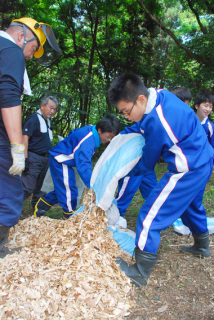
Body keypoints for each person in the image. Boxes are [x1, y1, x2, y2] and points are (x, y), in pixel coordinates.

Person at [107, 72, 214, 287]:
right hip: (203, 159)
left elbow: (148, 161)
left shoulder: (158, 120)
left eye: (126, 111)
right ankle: (202, 246)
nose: (126, 116)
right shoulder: (159, 94)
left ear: (141, 100)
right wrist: (126, 132)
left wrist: (125, 172)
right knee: (190, 205)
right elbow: (141, 123)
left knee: (149, 215)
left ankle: (139, 271)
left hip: (187, 168)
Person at [0, 17, 61, 259]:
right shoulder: (10, 50)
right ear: (20, 37)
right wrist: (17, 148)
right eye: (33, 49)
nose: (28, 57)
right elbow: (8, 95)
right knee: (12, 192)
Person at [34, 115, 121, 219]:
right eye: (108, 136)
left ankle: (42, 205)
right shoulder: (88, 142)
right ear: (99, 130)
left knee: (64, 189)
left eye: (112, 137)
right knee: (69, 191)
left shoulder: (91, 129)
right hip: (61, 160)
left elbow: (73, 133)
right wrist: (94, 185)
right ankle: (69, 216)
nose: (109, 140)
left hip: (64, 160)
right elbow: (83, 167)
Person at [21, 96, 58, 210]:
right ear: (42, 106)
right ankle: (9, 209)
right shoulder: (34, 119)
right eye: (50, 108)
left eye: (54, 109)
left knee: (41, 188)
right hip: (33, 158)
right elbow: (25, 137)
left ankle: (36, 212)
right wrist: (24, 158)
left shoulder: (47, 122)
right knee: (28, 186)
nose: (52, 111)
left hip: (45, 159)